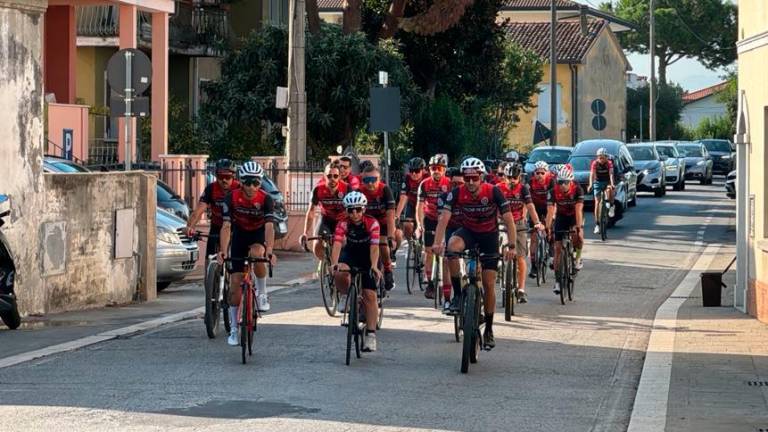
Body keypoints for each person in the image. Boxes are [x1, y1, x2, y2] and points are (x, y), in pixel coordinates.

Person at [432, 157, 516, 350]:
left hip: (489, 236)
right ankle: (459, 296)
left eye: (474, 178)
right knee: (452, 245)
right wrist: (437, 243)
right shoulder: (456, 193)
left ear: (481, 177)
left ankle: (489, 329)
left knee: (488, 283)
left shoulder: (493, 191)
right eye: (467, 178)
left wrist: (511, 246)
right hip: (468, 232)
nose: (470, 182)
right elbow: (443, 219)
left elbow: (509, 220)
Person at [217, 161, 278, 346]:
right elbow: (226, 226)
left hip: (258, 234)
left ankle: (262, 293)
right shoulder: (231, 198)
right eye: (247, 182)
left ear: (260, 183)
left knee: (258, 253)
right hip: (240, 235)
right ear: (241, 182)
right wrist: (222, 251)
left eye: (256, 183)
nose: (251, 187)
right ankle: (234, 330)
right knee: (235, 287)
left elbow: (269, 227)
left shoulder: (266, 199)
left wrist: (270, 251)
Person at [331, 191, 383, 352]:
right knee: (339, 271)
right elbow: (338, 244)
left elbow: (374, 248)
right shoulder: (342, 223)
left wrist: (374, 266)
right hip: (351, 253)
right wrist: (334, 263)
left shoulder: (372, 223)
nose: (355, 214)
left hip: (368, 256)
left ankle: (371, 336)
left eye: (358, 209)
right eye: (351, 210)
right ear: (346, 211)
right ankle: (347, 295)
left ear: (364, 209)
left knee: (370, 295)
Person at [497, 163, 544, 304]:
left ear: (519, 177)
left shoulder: (523, 189)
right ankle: (500, 263)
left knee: (521, 257)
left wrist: (536, 223)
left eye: (515, 177)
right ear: (504, 177)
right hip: (502, 223)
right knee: (501, 247)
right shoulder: (498, 189)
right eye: (509, 177)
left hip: (519, 224)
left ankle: (521, 290)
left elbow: (530, 206)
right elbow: (492, 206)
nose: (512, 180)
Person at [186, 159, 240, 258]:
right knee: (210, 257)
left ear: (234, 176)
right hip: (217, 225)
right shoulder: (211, 188)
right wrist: (190, 227)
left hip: (236, 226)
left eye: (227, 177)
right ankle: (209, 271)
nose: (223, 180)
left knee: (237, 259)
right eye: (220, 177)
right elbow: (198, 211)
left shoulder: (239, 188)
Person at [546, 165, 585, 296]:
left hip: (574, 216)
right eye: (560, 182)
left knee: (578, 237)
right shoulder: (553, 191)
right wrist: (547, 228)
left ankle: (577, 258)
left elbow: (579, 210)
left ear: (571, 182)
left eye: (565, 182)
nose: (562, 185)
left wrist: (579, 229)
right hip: (561, 217)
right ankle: (557, 281)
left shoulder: (578, 189)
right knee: (557, 249)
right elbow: (550, 211)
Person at [416, 153, 450, 299]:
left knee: (445, 253)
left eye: (439, 168)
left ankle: (446, 282)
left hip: (445, 219)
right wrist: (419, 224)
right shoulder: (424, 184)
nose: (436, 171)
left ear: (444, 170)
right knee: (429, 251)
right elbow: (419, 206)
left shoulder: (449, 183)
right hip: (430, 218)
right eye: (433, 168)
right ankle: (430, 283)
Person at [359, 164, 397, 291]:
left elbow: (391, 215)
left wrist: (391, 236)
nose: (370, 184)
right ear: (362, 181)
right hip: (367, 222)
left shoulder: (385, 190)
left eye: (373, 180)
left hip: (383, 222)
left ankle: (387, 270)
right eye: (366, 180)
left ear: (379, 179)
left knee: (383, 244)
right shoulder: (359, 192)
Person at [300, 163, 348, 261]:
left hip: (342, 220)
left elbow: (353, 211)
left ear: (339, 177)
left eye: (335, 176)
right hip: (325, 219)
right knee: (316, 246)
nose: (332, 179)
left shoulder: (347, 189)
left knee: (343, 243)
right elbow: (311, 212)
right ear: (324, 176)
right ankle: (325, 263)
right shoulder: (318, 189)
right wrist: (305, 232)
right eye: (329, 176)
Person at [437, 167, 465, 313]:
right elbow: (442, 220)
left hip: (467, 231)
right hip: (450, 229)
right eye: (454, 184)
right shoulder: (444, 197)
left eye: (460, 184)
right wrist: (440, 241)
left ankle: (476, 295)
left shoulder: (470, 196)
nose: (456, 187)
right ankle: (448, 300)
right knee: (447, 259)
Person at [528, 161, 555, 279]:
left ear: (547, 173)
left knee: (550, 231)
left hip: (549, 207)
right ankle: (534, 265)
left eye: (542, 173)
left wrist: (553, 215)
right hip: (535, 208)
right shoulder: (530, 183)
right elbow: (526, 201)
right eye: (537, 173)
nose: (539, 175)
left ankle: (552, 255)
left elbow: (555, 201)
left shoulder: (551, 182)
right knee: (534, 237)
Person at [395, 157, 428, 244]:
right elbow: (403, 198)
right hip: (412, 204)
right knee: (407, 225)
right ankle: (411, 243)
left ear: (423, 170)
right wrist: (397, 215)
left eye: (417, 171)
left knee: (425, 226)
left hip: (425, 205)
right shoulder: (407, 178)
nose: (413, 173)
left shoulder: (428, 178)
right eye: (411, 170)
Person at [588, 148, 615, 235]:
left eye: (603, 157)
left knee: (610, 190)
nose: (601, 159)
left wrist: (612, 183)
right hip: (598, 182)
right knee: (597, 202)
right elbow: (591, 174)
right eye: (599, 157)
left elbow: (611, 174)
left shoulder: (609, 163)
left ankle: (611, 206)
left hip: (607, 182)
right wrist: (591, 184)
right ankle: (597, 225)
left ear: (606, 157)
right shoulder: (595, 163)